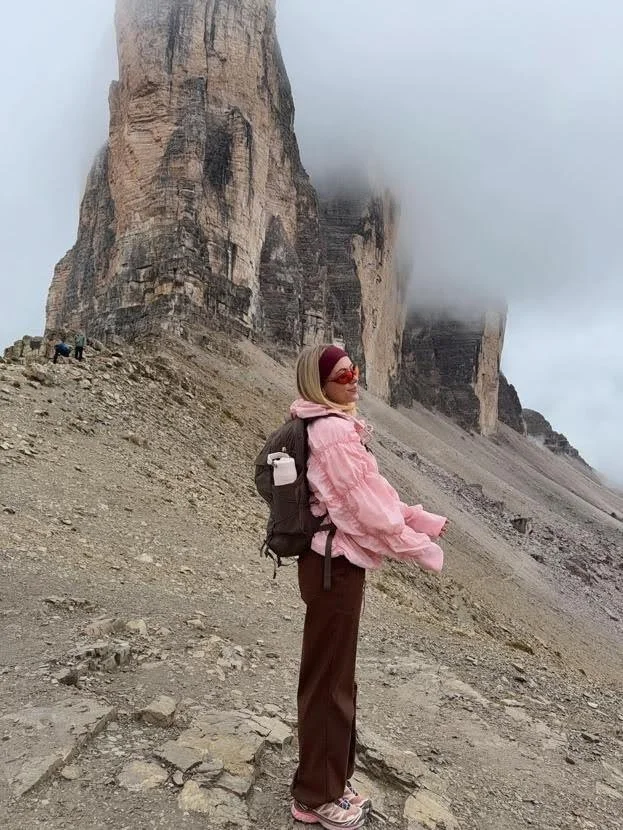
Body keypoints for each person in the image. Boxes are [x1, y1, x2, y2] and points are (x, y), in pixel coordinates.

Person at [289, 344, 448, 830]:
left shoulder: (324, 423)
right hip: (334, 569)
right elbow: (367, 508)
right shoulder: (334, 431)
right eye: (341, 374)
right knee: (330, 683)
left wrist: (415, 516)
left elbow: (369, 495)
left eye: (355, 369)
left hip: (329, 565)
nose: (353, 379)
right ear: (320, 383)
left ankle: (331, 780)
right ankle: (316, 797)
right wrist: (417, 546)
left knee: (333, 678)